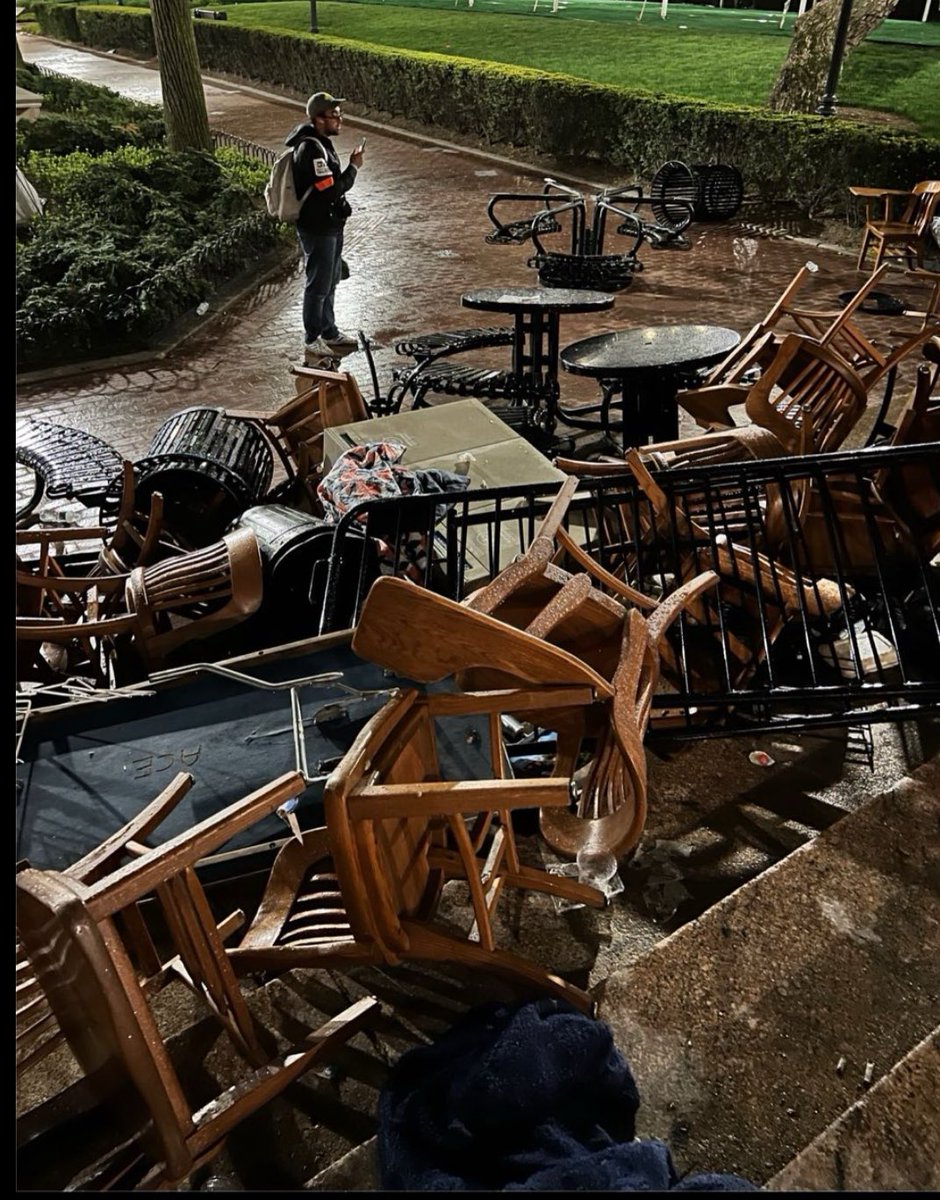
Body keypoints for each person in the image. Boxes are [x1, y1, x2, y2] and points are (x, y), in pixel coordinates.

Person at [285, 91, 365, 361]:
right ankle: (311, 338)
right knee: (317, 284)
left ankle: (329, 331)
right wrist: (353, 168)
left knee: (330, 281)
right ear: (318, 119)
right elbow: (329, 191)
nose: (339, 120)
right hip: (318, 227)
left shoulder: (322, 143)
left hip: (331, 224)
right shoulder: (310, 149)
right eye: (335, 115)